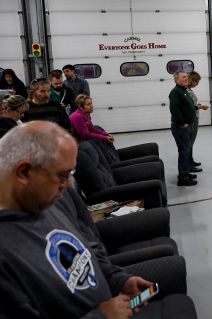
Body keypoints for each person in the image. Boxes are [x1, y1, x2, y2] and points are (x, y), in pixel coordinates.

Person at [0, 121, 157, 318]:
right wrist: (101, 316)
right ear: (24, 172)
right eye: (63, 175)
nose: (67, 186)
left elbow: (88, 249)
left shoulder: (44, 202)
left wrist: (117, 279)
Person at [169, 71, 197, 186]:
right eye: (183, 77)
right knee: (184, 152)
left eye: (187, 77)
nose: (186, 78)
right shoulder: (176, 92)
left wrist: (196, 107)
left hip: (188, 126)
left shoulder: (183, 91)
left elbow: (188, 106)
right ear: (177, 80)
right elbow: (174, 109)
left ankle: (185, 172)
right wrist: (181, 123)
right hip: (181, 128)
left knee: (186, 151)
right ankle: (183, 178)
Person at [187, 71, 208, 172]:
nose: (198, 84)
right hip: (192, 118)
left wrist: (197, 105)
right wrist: (201, 107)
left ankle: (190, 160)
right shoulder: (186, 90)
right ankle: (189, 165)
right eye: (197, 82)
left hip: (194, 116)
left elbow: (192, 103)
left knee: (191, 141)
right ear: (192, 80)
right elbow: (189, 106)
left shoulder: (189, 90)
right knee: (190, 141)